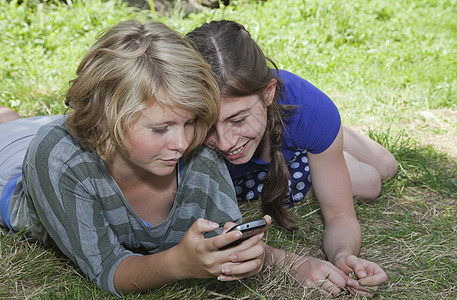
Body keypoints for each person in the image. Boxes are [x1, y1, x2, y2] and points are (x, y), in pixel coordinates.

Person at [0, 20, 271, 297]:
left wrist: (237, 253)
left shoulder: (200, 155)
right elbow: (106, 268)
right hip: (11, 164)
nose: (183, 143)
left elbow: (221, 240)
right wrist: (176, 264)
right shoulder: (59, 159)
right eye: (160, 129)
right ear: (107, 121)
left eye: (189, 121)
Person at [186, 20, 397, 296]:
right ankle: (315, 149)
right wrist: (285, 261)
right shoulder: (179, 130)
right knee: (365, 181)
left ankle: (326, 137)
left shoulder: (305, 105)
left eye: (238, 119)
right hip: (252, 167)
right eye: (208, 125)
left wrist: (343, 254)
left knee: (384, 169)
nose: (225, 142)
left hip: (286, 129)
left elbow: (340, 215)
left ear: (268, 93)